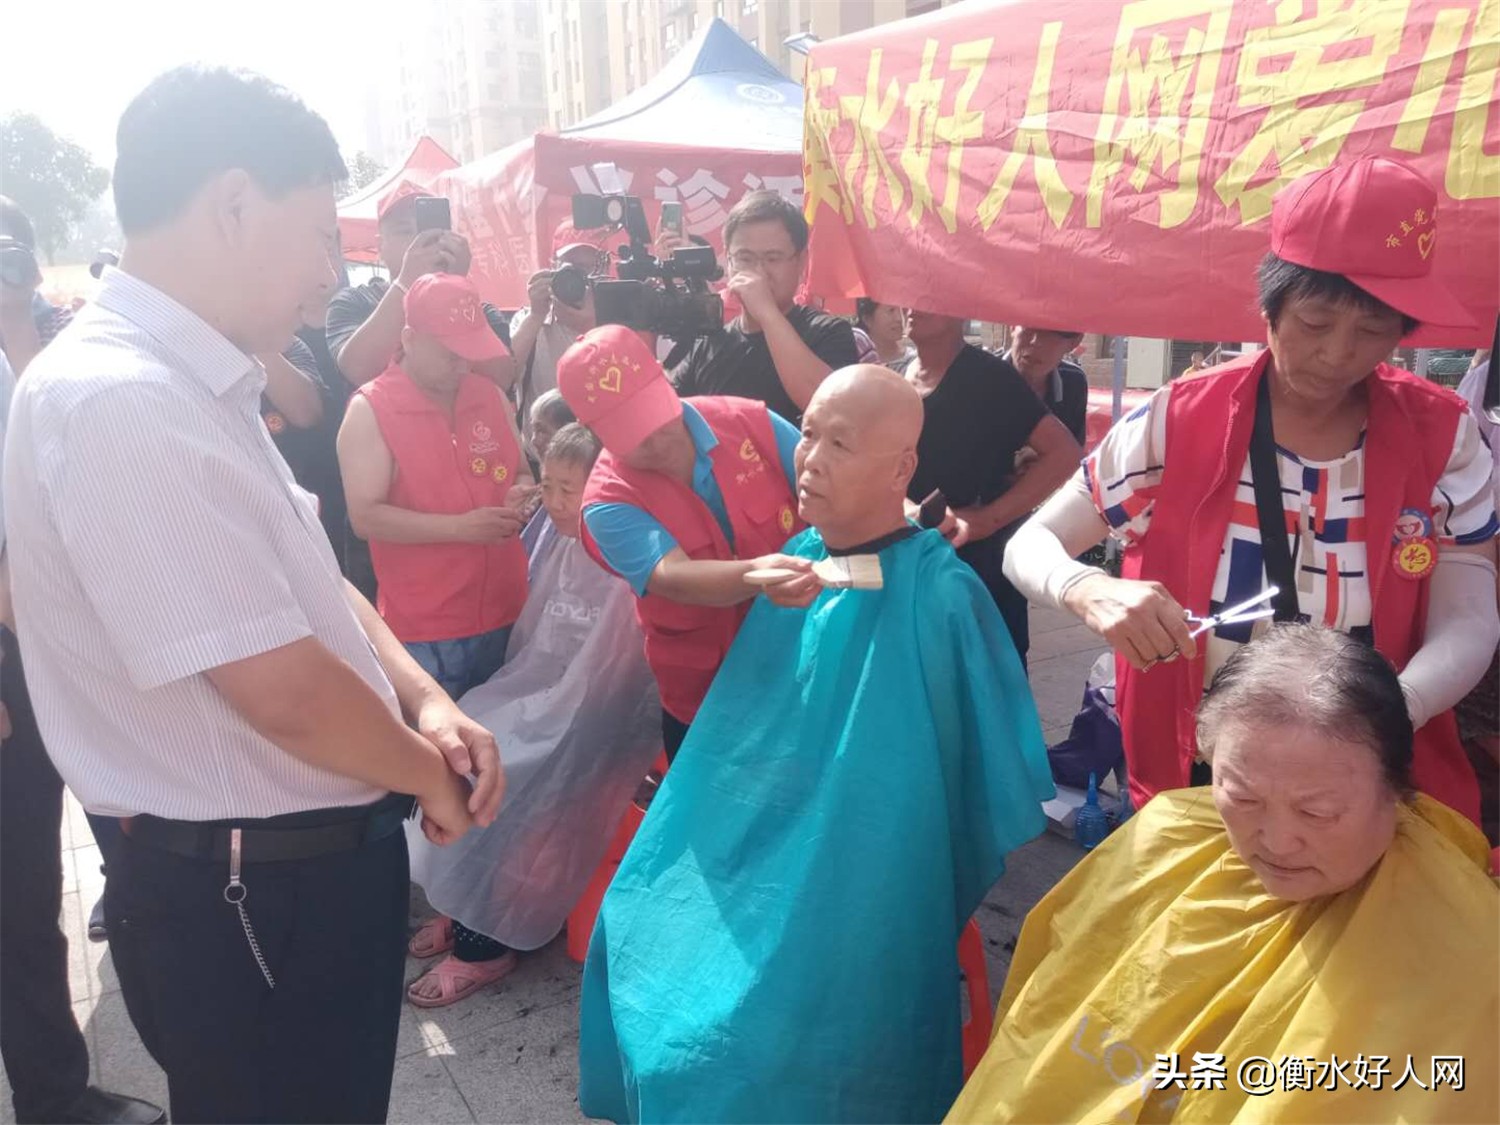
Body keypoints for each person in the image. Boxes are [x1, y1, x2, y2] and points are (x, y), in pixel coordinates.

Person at [2, 67, 502, 1123]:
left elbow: (311, 579)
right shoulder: (121, 401)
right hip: (251, 895)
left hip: (280, 878)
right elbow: (281, 689)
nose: (330, 274)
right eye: (321, 234)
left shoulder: (195, 376)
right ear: (232, 203)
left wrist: (426, 700)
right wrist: (428, 776)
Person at [577, 365, 1055, 1124]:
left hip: (868, 868)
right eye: (810, 437)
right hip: (770, 831)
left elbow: (956, 786)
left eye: (840, 443)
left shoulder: (939, 596)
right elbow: (745, 729)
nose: (810, 459)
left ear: (902, 467)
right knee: (635, 916)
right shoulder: (799, 559)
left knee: (743, 1034)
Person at [1005, 155, 1499, 831]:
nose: (1339, 355)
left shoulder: (1445, 436)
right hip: (1199, 755)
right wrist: (1089, 590)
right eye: (1317, 322)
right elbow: (1031, 544)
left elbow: (1468, 617)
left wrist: (1389, 707)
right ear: (1271, 303)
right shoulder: (1178, 420)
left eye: (1374, 332)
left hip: (1370, 755)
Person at [949, 625, 1498, 1124]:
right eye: (1241, 796)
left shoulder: (1470, 955)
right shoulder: (1163, 838)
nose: (1277, 842)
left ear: (1396, 789)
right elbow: (1040, 1019)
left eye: (1318, 813)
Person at [1, 203, 165, 1124]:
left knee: (93, 850)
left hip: (52, 642)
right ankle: (53, 1102)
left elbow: (47, 452)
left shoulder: (25, 349)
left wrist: (17, 322)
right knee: (16, 906)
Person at [406, 424, 660, 1007]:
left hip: (593, 712)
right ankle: (459, 899)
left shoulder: (625, 547)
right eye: (547, 484)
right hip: (542, 689)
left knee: (502, 772)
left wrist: (546, 708)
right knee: (457, 741)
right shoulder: (559, 533)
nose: (556, 501)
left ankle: (484, 941)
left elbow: (613, 672)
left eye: (572, 488)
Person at [557, 324, 815, 760]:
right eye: (632, 434)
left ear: (663, 376)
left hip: (803, 669)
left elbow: (824, 482)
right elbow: (672, 576)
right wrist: (761, 574)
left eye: (656, 416)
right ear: (593, 430)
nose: (657, 442)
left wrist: (900, 513)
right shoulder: (607, 500)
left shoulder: (747, 422)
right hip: (707, 702)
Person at [337, 272, 534, 702]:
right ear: (409, 338)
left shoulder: (488, 395)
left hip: (510, 608)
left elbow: (521, 471)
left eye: (470, 352)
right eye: (450, 354)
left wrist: (520, 495)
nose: (463, 365)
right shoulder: (372, 409)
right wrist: (460, 529)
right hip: (427, 630)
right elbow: (365, 517)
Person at [904, 310, 1083, 664]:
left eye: (932, 295)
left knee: (986, 685)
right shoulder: (894, 373)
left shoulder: (989, 377)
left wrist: (988, 518)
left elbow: (1064, 454)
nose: (915, 305)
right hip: (910, 562)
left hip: (976, 568)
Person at [670, 190, 859, 424]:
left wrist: (767, 313)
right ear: (728, 261)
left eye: (772, 259)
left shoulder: (828, 332)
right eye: (745, 258)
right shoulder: (710, 343)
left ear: (801, 261)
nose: (758, 272)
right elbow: (667, 416)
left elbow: (829, 407)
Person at [508, 220, 602, 422]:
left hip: (602, 449)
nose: (578, 277)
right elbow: (505, 378)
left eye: (586, 268)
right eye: (570, 267)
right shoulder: (530, 318)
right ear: (553, 266)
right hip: (542, 449)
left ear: (603, 269)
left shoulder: (616, 318)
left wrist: (592, 326)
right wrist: (536, 315)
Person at [1005, 325, 1088, 445]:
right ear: (1012, 327)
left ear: (1074, 342)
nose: (1036, 341)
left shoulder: (1073, 382)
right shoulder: (982, 376)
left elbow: (1073, 455)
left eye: (1052, 334)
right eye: (1028, 327)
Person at [852, 297, 912, 370]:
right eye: (891, 311)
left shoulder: (913, 362)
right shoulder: (852, 365)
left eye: (903, 311)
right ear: (867, 319)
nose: (899, 318)